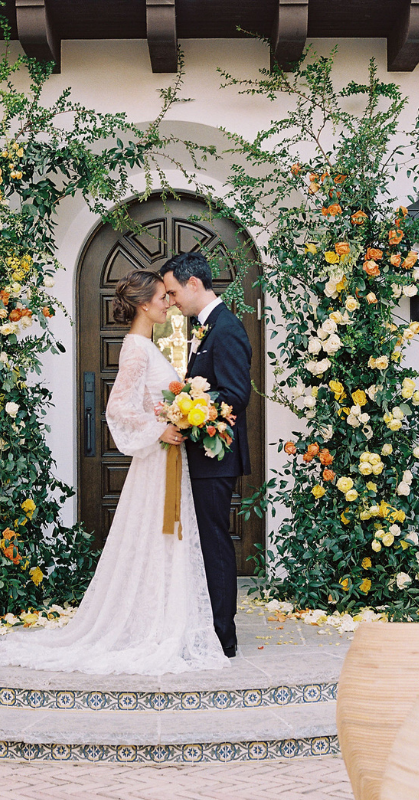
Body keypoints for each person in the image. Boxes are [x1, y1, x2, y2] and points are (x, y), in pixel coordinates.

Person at [0, 269, 227, 675]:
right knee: (155, 538)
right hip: (156, 461)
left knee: (163, 541)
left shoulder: (147, 345)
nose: (169, 302)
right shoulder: (136, 347)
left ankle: (165, 620)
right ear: (143, 305)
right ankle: (152, 626)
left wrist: (170, 413)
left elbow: (145, 401)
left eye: (170, 297)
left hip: (166, 460)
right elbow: (117, 407)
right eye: (162, 298)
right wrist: (161, 426)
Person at [159, 252, 252, 658]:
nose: (173, 300)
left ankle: (222, 637)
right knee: (205, 541)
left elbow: (235, 395)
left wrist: (186, 409)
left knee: (214, 542)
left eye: (175, 291)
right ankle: (210, 629)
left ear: (194, 284)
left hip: (216, 458)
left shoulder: (226, 328)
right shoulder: (205, 327)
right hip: (202, 457)